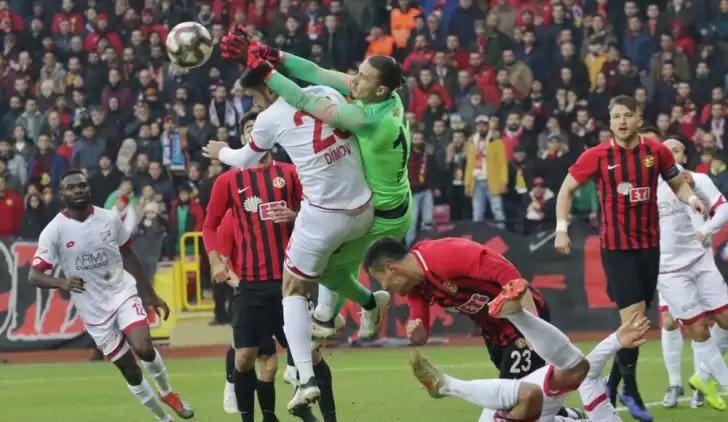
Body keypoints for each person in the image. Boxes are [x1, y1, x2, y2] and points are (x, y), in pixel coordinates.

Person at [202, 64, 390, 412]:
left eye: (256, 96)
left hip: (323, 219)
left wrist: (221, 152)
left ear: (271, 90)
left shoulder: (271, 122)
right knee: (331, 269)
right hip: (365, 208)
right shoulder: (325, 94)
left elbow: (242, 157)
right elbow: (212, 224)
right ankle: (344, 309)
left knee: (293, 288)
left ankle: (304, 377)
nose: (258, 105)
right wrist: (218, 258)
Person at [217, 26, 414, 337]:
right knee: (336, 259)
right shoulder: (385, 96)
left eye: (363, 78)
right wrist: (271, 53)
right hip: (395, 199)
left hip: (384, 217)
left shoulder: (368, 120)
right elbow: (316, 72)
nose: (354, 80)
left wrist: (264, 69)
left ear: (379, 89)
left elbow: (302, 99)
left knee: (322, 266)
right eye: (358, 73)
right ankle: (327, 316)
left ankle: (365, 305)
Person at [554, 95, 705, 421]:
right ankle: (630, 390)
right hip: (617, 249)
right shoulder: (597, 155)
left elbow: (677, 184)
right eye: (616, 116)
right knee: (634, 322)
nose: (622, 121)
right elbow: (566, 189)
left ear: (638, 119)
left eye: (628, 115)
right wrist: (561, 229)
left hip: (650, 248)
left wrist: (691, 199)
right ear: (610, 121)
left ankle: (612, 384)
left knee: (638, 323)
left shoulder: (656, 152)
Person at [202, 110, 339, 421]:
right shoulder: (228, 181)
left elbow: (317, 213)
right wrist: (215, 259)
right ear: (243, 138)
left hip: (291, 282)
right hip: (250, 284)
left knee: (312, 355)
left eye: (260, 128)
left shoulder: (290, 174)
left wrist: (295, 216)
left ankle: (330, 418)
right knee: (244, 357)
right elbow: (209, 224)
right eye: (249, 129)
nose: (255, 133)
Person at [28, 169, 194, 422]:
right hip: (93, 310)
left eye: (82, 185)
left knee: (143, 347)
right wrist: (62, 282)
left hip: (121, 291)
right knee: (131, 371)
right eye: (71, 187)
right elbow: (34, 275)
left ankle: (167, 392)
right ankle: (164, 419)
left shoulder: (109, 218)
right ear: (62, 194)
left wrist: (151, 294)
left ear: (88, 188)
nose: (78, 190)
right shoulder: (54, 231)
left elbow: (129, 255)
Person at [361, 236, 585, 418]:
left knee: (512, 398)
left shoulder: (444, 255)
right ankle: (569, 416)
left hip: (520, 322)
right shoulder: (415, 288)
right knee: (528, 397)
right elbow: (420, 335)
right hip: (494, 333)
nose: (385, 288)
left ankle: (447, 386)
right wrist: (416, 332)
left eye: (381, 280)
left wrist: (532, 325)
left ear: (391, 268)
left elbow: (508, 275)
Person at [410, 282, 648, 422]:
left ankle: (447, 386)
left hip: (509, 414)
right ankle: (515, 314)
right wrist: (615, 341)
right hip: (523, 410)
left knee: (532, 394)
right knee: (575, 370)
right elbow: (587, 375)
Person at [657, 138, 728, 411]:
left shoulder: (699, 179)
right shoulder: (650, 186)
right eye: (665, 151)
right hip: (668, 268)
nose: (670, 155)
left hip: (701, 259)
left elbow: (722, 207)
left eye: (675, 150)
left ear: (684, 157)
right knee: (674, 322)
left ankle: (703, 377)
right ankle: (675, 383)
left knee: (722, 321)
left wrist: (705, 230)